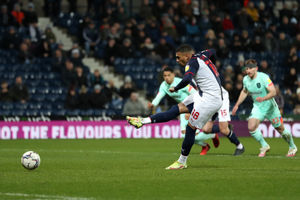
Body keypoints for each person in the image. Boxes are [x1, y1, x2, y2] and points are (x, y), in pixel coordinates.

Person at [127, 45, 224, 169]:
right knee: (177, 109)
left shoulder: (191, 62)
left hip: (210, 99)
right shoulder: (202, 55)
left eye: (179, 58)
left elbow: (188, 78)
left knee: (190, 129)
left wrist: (176, 88)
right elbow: (214, 51)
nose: (177, 60)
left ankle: (182, 162)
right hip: (202, 94)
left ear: (187, 56)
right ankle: (143, 121)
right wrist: (215, 66)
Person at [232, 59, 297, 157]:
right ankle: (264, 145)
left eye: (250, 68)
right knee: (251, 126)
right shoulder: (245, 79)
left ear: (256, 69)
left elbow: (273, 92)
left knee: (280, 129)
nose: (248, 71)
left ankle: (292, 146)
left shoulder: (264, 77)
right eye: (247, 69)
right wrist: (237, 104)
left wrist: (264, 98)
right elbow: (244, 91)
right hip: (258, 107)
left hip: (270, 107)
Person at [148, 67, 220, 155]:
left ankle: (212, 135)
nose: (167, 77)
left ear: (173, 75)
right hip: (182, 109)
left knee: (194, 134)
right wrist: (153, 104)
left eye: (169, 75)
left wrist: (191, 111)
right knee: (183, 135)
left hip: (193, 107)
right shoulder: (163, 85)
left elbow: (195, 94)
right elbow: (159, 96)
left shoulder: (181, 83)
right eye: (165, 76)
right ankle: (205, 145)